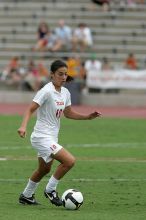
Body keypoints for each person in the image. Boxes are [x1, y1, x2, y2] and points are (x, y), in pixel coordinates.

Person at [17, 59, 101, 206]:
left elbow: (68, 113)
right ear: (52, 74)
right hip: (41, 137)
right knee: (69, 161)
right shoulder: (46, 91)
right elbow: (30, 109)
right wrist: (23, 126)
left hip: (51, 137)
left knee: (44, 169)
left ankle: (26, 195)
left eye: (65, 74)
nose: (63, 77)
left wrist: (88, 117)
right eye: (60, 74)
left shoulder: (65, 93)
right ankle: (50, 190)